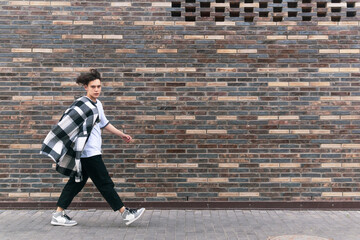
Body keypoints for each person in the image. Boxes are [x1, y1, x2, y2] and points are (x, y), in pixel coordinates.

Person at [40, 69, 145, 226]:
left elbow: (104, 123)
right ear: (85, 87)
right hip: (88, 153)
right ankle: (125, 213)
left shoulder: (98, 104)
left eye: (99, 86)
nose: (96, 89)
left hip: (91, 152)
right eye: (93, 86)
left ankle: (58, 214)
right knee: (104, 182)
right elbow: (66, 124)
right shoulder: (81, 105)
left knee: (75, 184)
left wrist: (121, 134)